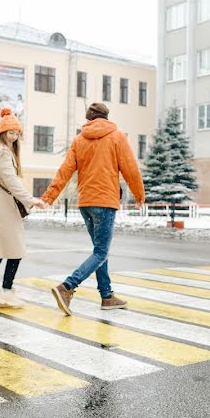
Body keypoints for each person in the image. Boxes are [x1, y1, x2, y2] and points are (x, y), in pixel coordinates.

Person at [41, 102, 145, 315]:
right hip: (105, 202)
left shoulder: (79, 139)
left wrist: (49, 196)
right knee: (100, 252)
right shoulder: (117, 136)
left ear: (89, 119)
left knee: (99, 252)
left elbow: (65, 171)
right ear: (106, 117)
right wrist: (139, 195)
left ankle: (106, 296)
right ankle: (67, 287)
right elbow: (130, 168)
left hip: (86, 203)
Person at [0, 108, 46, 309]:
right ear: (3, 132)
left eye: (17, 133)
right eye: (11, 133)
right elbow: (11, 181)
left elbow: (7, 181)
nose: (14, 137)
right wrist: (31, 200)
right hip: (3, 206)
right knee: (14, 250)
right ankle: (4, 291)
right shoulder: (3, 151)